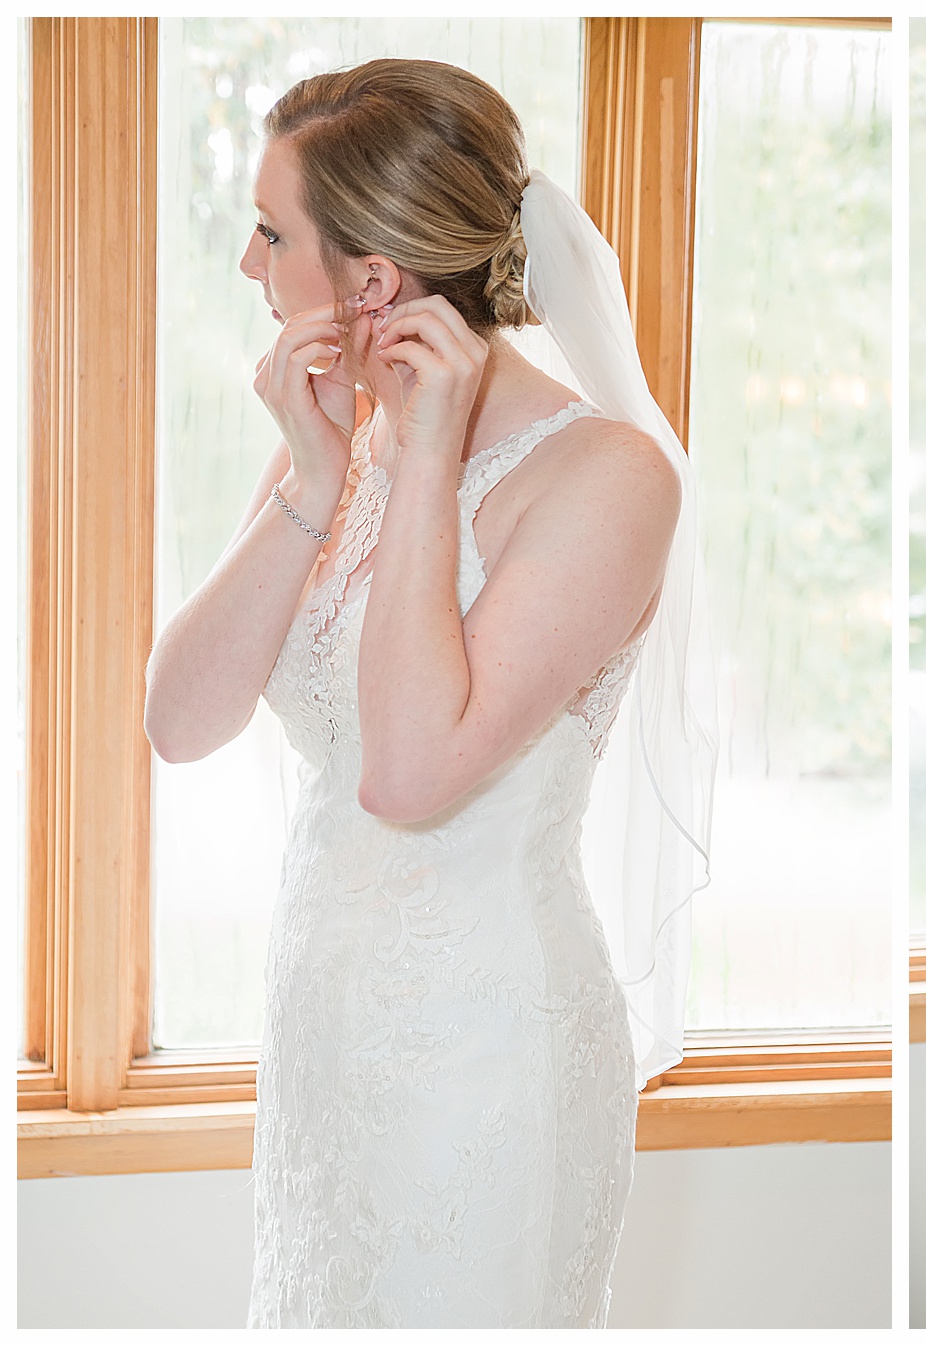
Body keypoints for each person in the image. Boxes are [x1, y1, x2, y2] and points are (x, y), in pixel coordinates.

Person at [143, 58, 714, 1327]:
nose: (248, 263)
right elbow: (179, 723)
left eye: (271, 231)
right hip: (324, 1040)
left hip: (487, 1062)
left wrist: (424, 460)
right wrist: (309, 471)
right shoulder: (338, 436)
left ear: (374, 280)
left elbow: (406, 774)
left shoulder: (608, 480)